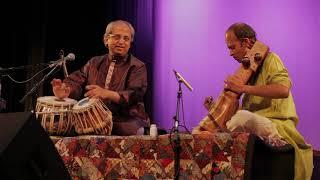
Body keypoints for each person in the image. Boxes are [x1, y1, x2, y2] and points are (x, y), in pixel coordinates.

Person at [193, 22, 313, 180]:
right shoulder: (248, 71)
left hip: (278, 125)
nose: (230, 53)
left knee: (242, 118)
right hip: (256, 125)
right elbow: (244, 114)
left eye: (232, 47)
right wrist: (214, 109)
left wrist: (243, 88)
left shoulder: (271, 59)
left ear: (247, 42)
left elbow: (283, 90)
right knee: (235, 121)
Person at [51, 20, 150, 135]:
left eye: (126, 38)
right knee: (59, 126)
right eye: (117, 37)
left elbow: (134, 94)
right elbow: (76, 81)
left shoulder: (137, 66)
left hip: (126, 119)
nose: (121, 42)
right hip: (94, 118)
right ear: (106, 39)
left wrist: (107, 94)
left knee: (128, 129)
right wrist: (65, 91)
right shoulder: (94, 63)